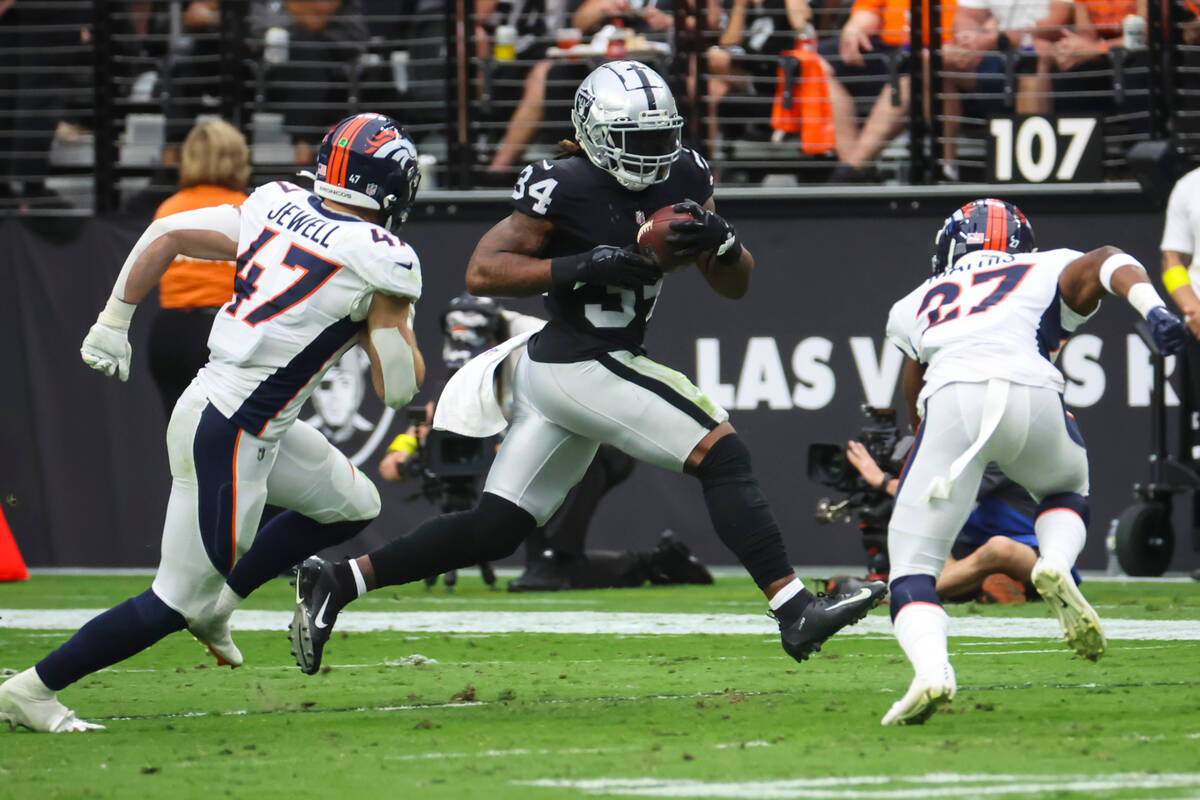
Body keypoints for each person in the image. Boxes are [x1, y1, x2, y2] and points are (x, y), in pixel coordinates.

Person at [289, 60, 886, 676]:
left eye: (661, 137)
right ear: (594, 132)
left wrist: (723, 240)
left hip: (570, 373)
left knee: (496, 529)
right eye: (636, 141)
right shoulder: (563, 184)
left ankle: (337, 581)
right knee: (722, 452)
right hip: (581, 358)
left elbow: (734, 285)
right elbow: (483, 269)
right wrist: (584, 265)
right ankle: (794, 610)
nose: (653, 154)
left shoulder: (685, 171)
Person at [0, 112, 425, 733]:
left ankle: (220, 603)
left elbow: (168, 232)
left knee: (354, 502)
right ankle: (33, 690)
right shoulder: (380, 257)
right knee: (173, 599)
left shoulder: (276, 203)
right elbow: (399, 391)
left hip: (223, 410)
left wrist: (113, 321)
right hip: (232, 434)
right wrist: (386, 320)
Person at [878, 197, 1187, 726]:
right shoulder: (1044, 265)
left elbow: (914, 389)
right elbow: (1108, 259)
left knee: (911, 570)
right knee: (1067, 487)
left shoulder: (913, 302)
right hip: (1035, 392)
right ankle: (1055, 561)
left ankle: (932, 671)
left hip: (953, 400)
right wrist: (1154, 310)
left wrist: (931, 459)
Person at [378, 293, 713, 591]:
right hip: (546, 447)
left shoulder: (538, 341)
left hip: (597, 442)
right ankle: (661, 564)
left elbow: (568, 411)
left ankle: (584, 559)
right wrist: (403, 447)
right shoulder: (470, 340)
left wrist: (506, 443)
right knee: (548, 567)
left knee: (553, 560)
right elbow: (447, 402)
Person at [845, 441, 1080, 603]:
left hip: (1034, 555)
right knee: (928, 524)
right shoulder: (960, 442)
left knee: (1000, 548)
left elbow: (944, 496)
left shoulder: (1004, 448)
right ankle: (984, 585)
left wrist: (883, 481)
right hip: (972, 549)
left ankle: (890, 594)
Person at [147, 119, 251, 415]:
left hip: (170, 332)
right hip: (222, 332)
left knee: (178, 439)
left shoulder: (167, 209)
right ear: (237, 158)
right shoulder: (246, 209)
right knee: (227, 440)